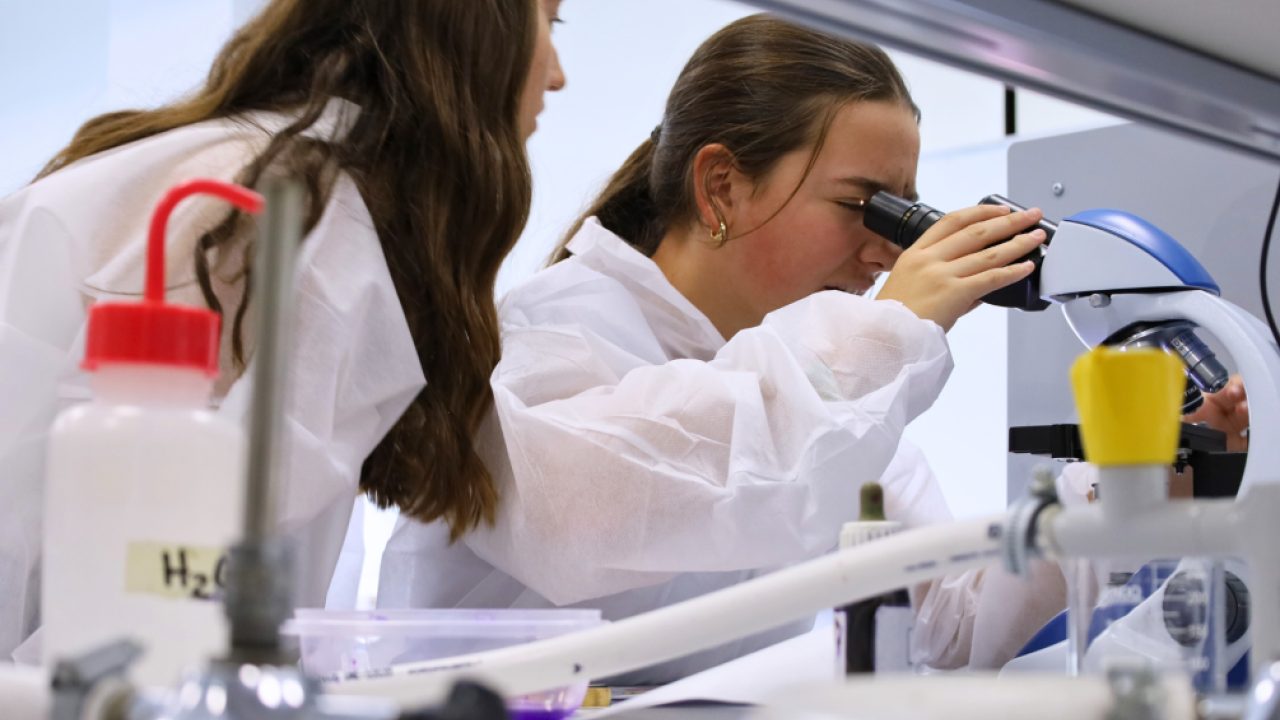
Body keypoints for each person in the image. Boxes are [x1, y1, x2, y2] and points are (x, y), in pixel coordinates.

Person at [378, 14, 1060, 682]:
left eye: (903, 215)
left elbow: (945, 624)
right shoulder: (552, 332)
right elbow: (588, 513)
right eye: (862, 205)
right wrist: (886, 334)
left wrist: (1123, 483)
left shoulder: (818, 388)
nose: (887, 253)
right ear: (720, 188)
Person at [0, 0, 565, 662]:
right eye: (549, 21)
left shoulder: (226, 162)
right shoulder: (312, 226)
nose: (555, 75)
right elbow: (161, 623)